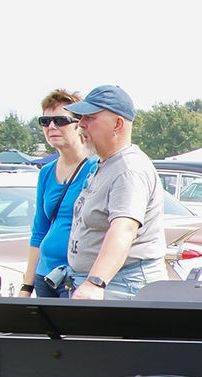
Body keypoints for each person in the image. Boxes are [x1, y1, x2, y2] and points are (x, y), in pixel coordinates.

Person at [63, 85, 167, 299]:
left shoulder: (128, 169)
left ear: (117, 124)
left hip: (123, 286)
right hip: (110, 284)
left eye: (90, 117)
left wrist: (94, 283)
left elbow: (124, 228)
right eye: (81, 117)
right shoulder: (107, 164)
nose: (81, 124)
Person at [20, 89, 98, 297]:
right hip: (45, 275)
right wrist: (27, 286)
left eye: (60, 120)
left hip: (76, 278)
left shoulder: (96, 169)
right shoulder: (46, 172)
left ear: (79, 124)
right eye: (45, 121)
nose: (52, 127)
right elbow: (39, 230)